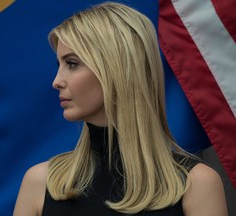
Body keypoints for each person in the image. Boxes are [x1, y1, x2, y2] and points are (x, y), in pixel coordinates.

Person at [13, 2, 228, 216]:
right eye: (58, 65)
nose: (57, 81)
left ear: (116, 68)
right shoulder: (41, 184)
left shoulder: (196, 184)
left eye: (72, 63)